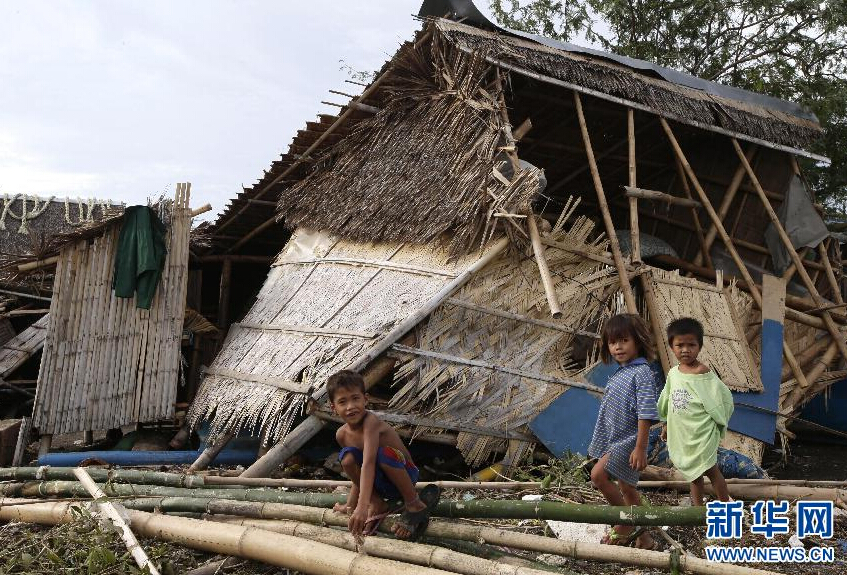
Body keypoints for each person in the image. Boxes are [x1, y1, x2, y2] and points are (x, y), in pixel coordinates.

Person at [327, 370, 439, 540]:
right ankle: (378, 503)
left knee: (383, 454)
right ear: (333, 407)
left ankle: (413, 502)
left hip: (405, 475)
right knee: (347, 457)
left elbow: (369, 463)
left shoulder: (371, 423)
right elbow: (359, 471)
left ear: (366, 399)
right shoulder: (341, 435)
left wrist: (363, 507)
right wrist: (351, 505)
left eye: (355, 398)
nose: (350, 406)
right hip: (380, 482)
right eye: (343, 402)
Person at [588, 313, 659, 549]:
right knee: (627, 487)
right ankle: (644, 538)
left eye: (624, 340)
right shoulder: (621, 373)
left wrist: (640, 448)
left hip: (630, 441)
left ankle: (626, 523)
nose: (617, 347)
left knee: (598, 475)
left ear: (637, 341)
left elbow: (645, 412)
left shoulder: (642, 373)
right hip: (618, 440)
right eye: (612, 342)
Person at [658, 317, 734, 506]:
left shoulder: (703, 373)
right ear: (672, 346)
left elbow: (721, 399)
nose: (685, 350)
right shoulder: (673, 373)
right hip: (684, 434)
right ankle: (698, 510)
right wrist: (666, 424)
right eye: (680, 345)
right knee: (694, 474)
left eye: (691, 344)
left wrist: (718, 423)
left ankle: (726, 504)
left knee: (711, 470)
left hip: (701, 434)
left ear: (699, 346)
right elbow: (667, 400)